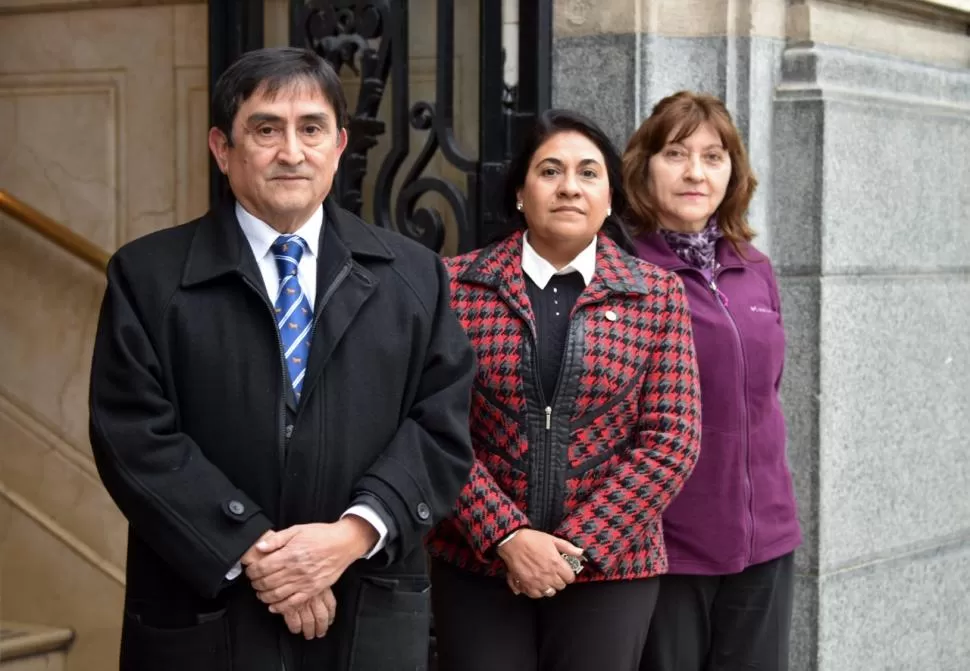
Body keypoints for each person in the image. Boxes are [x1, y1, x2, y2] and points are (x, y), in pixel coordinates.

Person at [88, 47, 475, 671]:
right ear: (223, 148)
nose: (292, 152)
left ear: (339, 144)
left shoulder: (415, 275)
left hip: (363, 605)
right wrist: (257, 550)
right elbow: (132, 436)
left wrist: (346, 539)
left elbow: (442, 427)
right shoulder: (148, 276)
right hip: (210, 609)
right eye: (266, 129)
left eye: (311, 129)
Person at [425, 109, 702, 671]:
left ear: (609, 198)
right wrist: (505, 535)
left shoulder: (656, 294)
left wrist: (576, 550)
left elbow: (672, 439)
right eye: (550, 171)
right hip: (479, 564)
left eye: (588, 173)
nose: (569, 186)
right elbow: (434, 424)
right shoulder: (456, 285)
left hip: (611, 570)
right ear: (522, 193)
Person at [622, 91, 802, 671]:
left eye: (713, 156)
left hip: (765, 541)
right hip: (669, 549)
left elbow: (766, 399)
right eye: (676, 153)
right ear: (645, 167)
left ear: (734, 171)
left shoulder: (755, 269)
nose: (696, 172)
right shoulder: (625, 274)